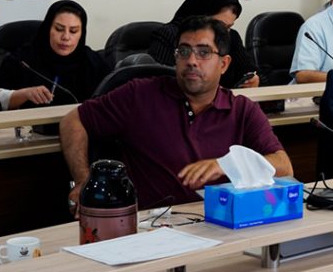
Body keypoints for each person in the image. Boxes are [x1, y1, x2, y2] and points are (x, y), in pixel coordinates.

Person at [61, 16, 292, 211]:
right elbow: (73, 120)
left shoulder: (242, 110)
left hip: (218, 223)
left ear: (224, 64)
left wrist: (227, 165)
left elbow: (283, 166)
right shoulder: (140, 95)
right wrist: (82, 180)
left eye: (203, 52)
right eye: (184, 51)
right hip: (150, 227)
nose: (191, 61)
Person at [0, 0, 109, 109]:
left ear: (82, 33)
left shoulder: (94, 64)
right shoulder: (22, 61)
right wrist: (23, 94)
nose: (66, 37)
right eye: (59, 29)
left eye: (73, 31)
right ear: (48, 29)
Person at [148, 0, 259, 89]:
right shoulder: (170, 34)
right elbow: (157, 79)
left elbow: (253, 72)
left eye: (229, 27)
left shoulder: (231, 37)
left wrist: (254, 80)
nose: (224, 32)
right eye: (219, 25)